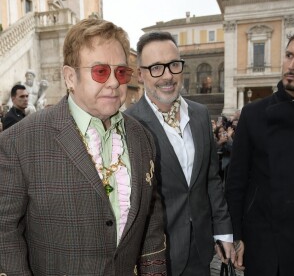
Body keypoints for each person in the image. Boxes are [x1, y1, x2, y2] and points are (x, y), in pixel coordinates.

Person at [0, 19, 166, 275]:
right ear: (70, 77)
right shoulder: (19, 142)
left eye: (121, 72)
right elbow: (5, 235)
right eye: (100, 71)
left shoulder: (142, 138)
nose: (114, 82)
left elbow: (151, 221)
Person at [125, 31, 235, 276]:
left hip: (200, 251)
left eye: (174, 65)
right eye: (156, 67)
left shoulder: (200, 114)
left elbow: (211, 180)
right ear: (141, 74)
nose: (167, 75)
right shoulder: (128, 124)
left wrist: (223, 231)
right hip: (154, 257)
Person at [226, 30, 294, 276]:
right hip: (266, 245)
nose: (293, 65)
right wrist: (236, 236)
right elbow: (236, 182)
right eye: (289, 55)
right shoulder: (253, 114)